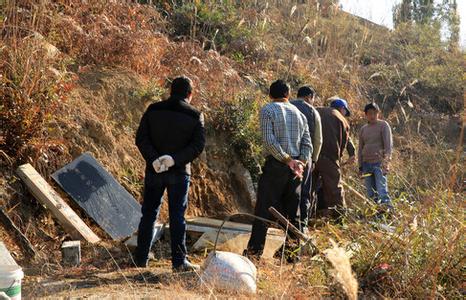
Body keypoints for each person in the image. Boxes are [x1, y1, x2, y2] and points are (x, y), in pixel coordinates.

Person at [134, 76, 205, 271]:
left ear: (170, 91)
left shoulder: (153, 109)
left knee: (148, 213)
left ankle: (141, 259)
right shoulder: (195, 115)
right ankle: (178, 261)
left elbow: (141, 138)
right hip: (179, 171)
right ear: (190, 94)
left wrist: (154, 159)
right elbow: (197, 146)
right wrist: (174, 159)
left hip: (154, 170)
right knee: (177, 216)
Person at [244, 80, 312, 258]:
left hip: (276, 166)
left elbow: (269, 141)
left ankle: (254, 253)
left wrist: (287, 160)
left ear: (270, 95)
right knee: (293, 213)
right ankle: (290, 255)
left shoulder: (268, 110)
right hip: (296, 170)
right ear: (288, 95)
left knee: (263, 211)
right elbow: (308, 145)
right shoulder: (300, 114)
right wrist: (300, 163)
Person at [312, 98, 354, 220]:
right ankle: (340, 218)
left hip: (309, 156)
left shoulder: (315, 110)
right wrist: (339, 158)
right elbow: (345, 142)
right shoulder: (341, 118)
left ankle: (306, 217)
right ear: (342, 109)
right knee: (335, 188)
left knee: (309, 187)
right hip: (329, 157)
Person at [290, 86, 323, 233]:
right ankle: (301, 228)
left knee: (286, 192)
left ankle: (280, 223)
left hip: (285, 157)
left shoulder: (287, 105)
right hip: (304, 158)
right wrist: (313, 159)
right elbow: (318, 140)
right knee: (303, 193)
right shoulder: (312, 111)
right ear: (310, 96)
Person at [358, 102, 393, 206]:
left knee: (382, 191)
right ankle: (375, 218)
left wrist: (386, 162)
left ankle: (388, 215)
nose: (372, 116)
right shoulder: (363, 129)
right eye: (369, 113)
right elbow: (360, 149)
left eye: (374, 113)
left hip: (379, 164)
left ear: (378, 113)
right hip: (366, 164)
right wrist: (360, 167)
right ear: (366, 115)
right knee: (370, 194)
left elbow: (388, 145)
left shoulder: (383, 125)